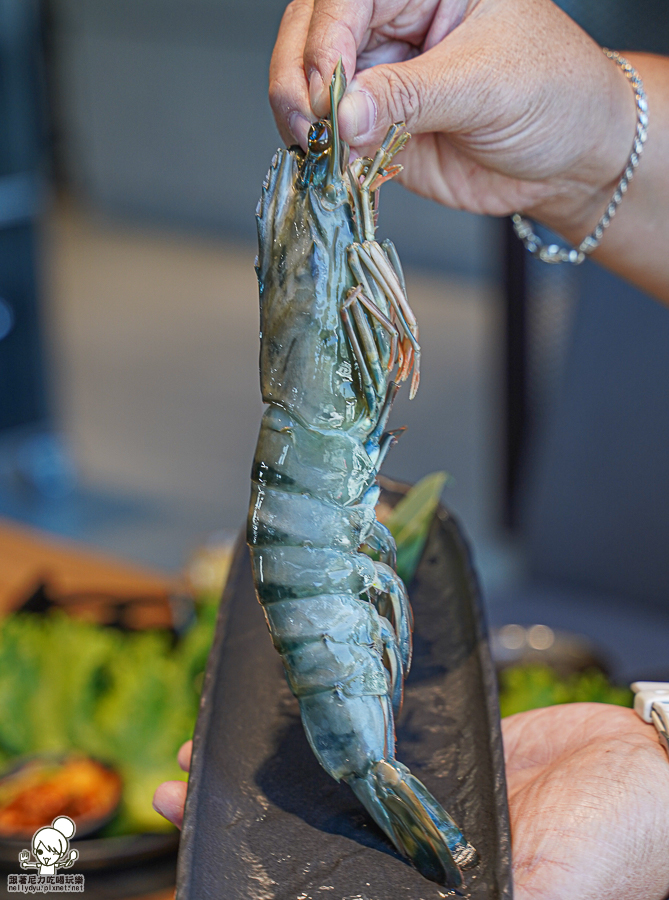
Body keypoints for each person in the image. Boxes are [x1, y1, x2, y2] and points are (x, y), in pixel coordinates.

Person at [154, 2, 669, 897]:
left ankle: (367, 757)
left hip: (317, 512)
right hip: (318, 528)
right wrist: (593, 125)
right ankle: (368, 760)